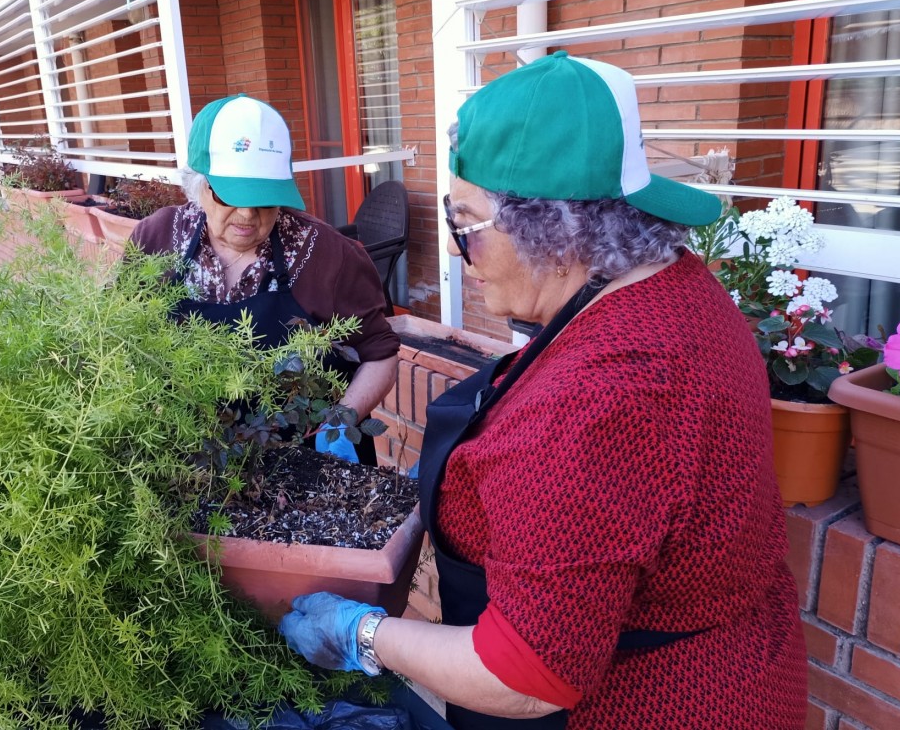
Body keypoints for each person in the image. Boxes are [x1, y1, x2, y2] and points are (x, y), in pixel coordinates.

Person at [279, 52, 808, 728]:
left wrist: (362, 633)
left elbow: (526, 674)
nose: (457, 254)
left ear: (557, 232)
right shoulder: (670, 283)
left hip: (649, 705)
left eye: (465, 225)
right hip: (746, 662)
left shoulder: (597, 401)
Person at [129, 94, 399, 464]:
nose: (247, 214)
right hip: (189, 458)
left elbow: (380, 355)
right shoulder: (156, 238)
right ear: (198, 185)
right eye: (230, 196)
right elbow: (122, 338)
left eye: (264, 199)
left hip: (306, 460)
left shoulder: (328, 255)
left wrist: (338, 425)